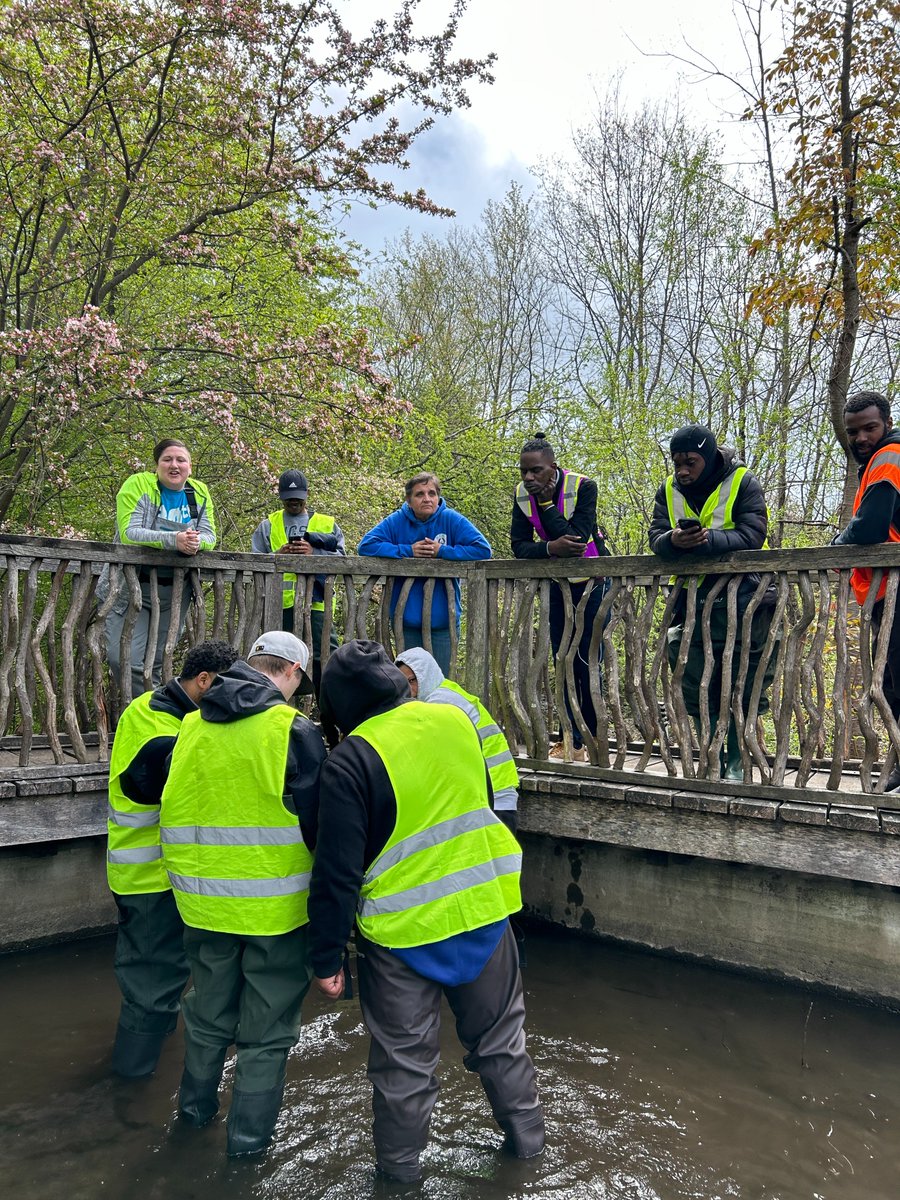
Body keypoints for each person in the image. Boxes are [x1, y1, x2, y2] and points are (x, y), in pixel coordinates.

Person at [308, 640, 544, 1184]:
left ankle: (398, 1181)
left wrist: (325, 959)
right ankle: (530, 1154)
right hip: (484, 913)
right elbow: (480, 807)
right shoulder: (455, 722)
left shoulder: (349, 761)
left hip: (401, 935)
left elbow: (337, 873)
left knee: (403, 1070)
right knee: (503, 1046)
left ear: (337, 707)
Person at [158, 631, 325, 1157]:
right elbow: (323, 827)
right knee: (267, 1033)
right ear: (293, 673)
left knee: (206, 1019)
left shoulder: (188, 726)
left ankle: (191, 1121)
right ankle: (247, 1152)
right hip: (277, 913)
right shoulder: (292, 729)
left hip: (203, 905)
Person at [107, 639, 239, 1078]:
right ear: (203, 681)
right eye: (224, 686)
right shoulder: (156, 720)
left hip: (162, 876)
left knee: (161, 982)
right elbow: (165, 776)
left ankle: (142, 1075)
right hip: (147, 878)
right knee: (149, 988)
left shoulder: (171, 711)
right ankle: (127, 1091)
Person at [647, 424, 775, 780]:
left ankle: (735, 764)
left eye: (690, 462)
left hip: (746, 599)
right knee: (698, 682)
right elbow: (656, 536)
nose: (683, 471)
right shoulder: (668, 491)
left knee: (741, 685)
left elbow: (753, 533)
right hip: (693, 602)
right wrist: (674, 540)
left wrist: (707, 541)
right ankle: (712, 759)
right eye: (677, 463)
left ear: (709, 457)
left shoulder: (742, 481)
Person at [512, 433, 610, 762]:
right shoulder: (521, 495)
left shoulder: (584, 487)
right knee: (562, 659)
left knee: (586, 662)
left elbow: (577, 537)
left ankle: (592, 739)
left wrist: (545, 504)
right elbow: (520, 546)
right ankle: (572, 739)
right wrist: (549, 549)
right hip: (559, 584)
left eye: (536, 471)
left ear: (552, 468)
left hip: (594, 581)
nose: (528, 478)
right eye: (524, 472)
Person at [105, 439, 216, 699]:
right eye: (167, 459)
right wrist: (175, 540)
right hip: (131, 590)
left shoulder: (198, 492)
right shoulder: (138, 485)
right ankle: (149, 712)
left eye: (181, 460)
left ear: (190, 466)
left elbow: (211, 536)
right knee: (123, 658)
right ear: (157, 465)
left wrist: (196, 542)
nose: (174, 465)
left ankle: (153, 720)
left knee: (156, 663)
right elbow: (129, 533)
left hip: (176, 593)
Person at [357, 472, 491, 675]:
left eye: (432, 493)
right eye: (420, 494)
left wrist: (443, 551)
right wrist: (407, 551)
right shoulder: (397, 521)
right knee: (410, 680)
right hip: (406, 622)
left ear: (438, 497)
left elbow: (482, 549)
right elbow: (366, 546)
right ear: (409, 500)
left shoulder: (451, 519)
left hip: (443, 621)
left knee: (441, 679)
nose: (427, 499)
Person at [832, 391, 900, 790]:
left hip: (895, 589)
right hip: (884, 591)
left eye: (869, 428)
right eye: (853, 431)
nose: (860, 438)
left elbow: (871, 527)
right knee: (890, 682)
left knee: (896, 680)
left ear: (886, 425)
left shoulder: (890, 456)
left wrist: (837, 547)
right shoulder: (879, 460)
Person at [394, 646, 519, 826]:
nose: (409, 689)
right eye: (403, 682)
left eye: (413, 680)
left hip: (493, 797)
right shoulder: (445, 691)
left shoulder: (439, 704)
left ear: (426, 676)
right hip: (492, 792)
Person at [250, 469, 346, 692]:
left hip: (318, 603)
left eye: (298, 498)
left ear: (307, 495)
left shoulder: (327, 523)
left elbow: (343, 561)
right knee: (275, 660)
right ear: (280, 496)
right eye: (289, 499)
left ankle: (329, 713)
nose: (294, 502)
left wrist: (314, 553)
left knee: (326, 659)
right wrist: (279, 555)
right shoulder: (267, 525)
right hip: (278, 605)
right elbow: (254, 562)